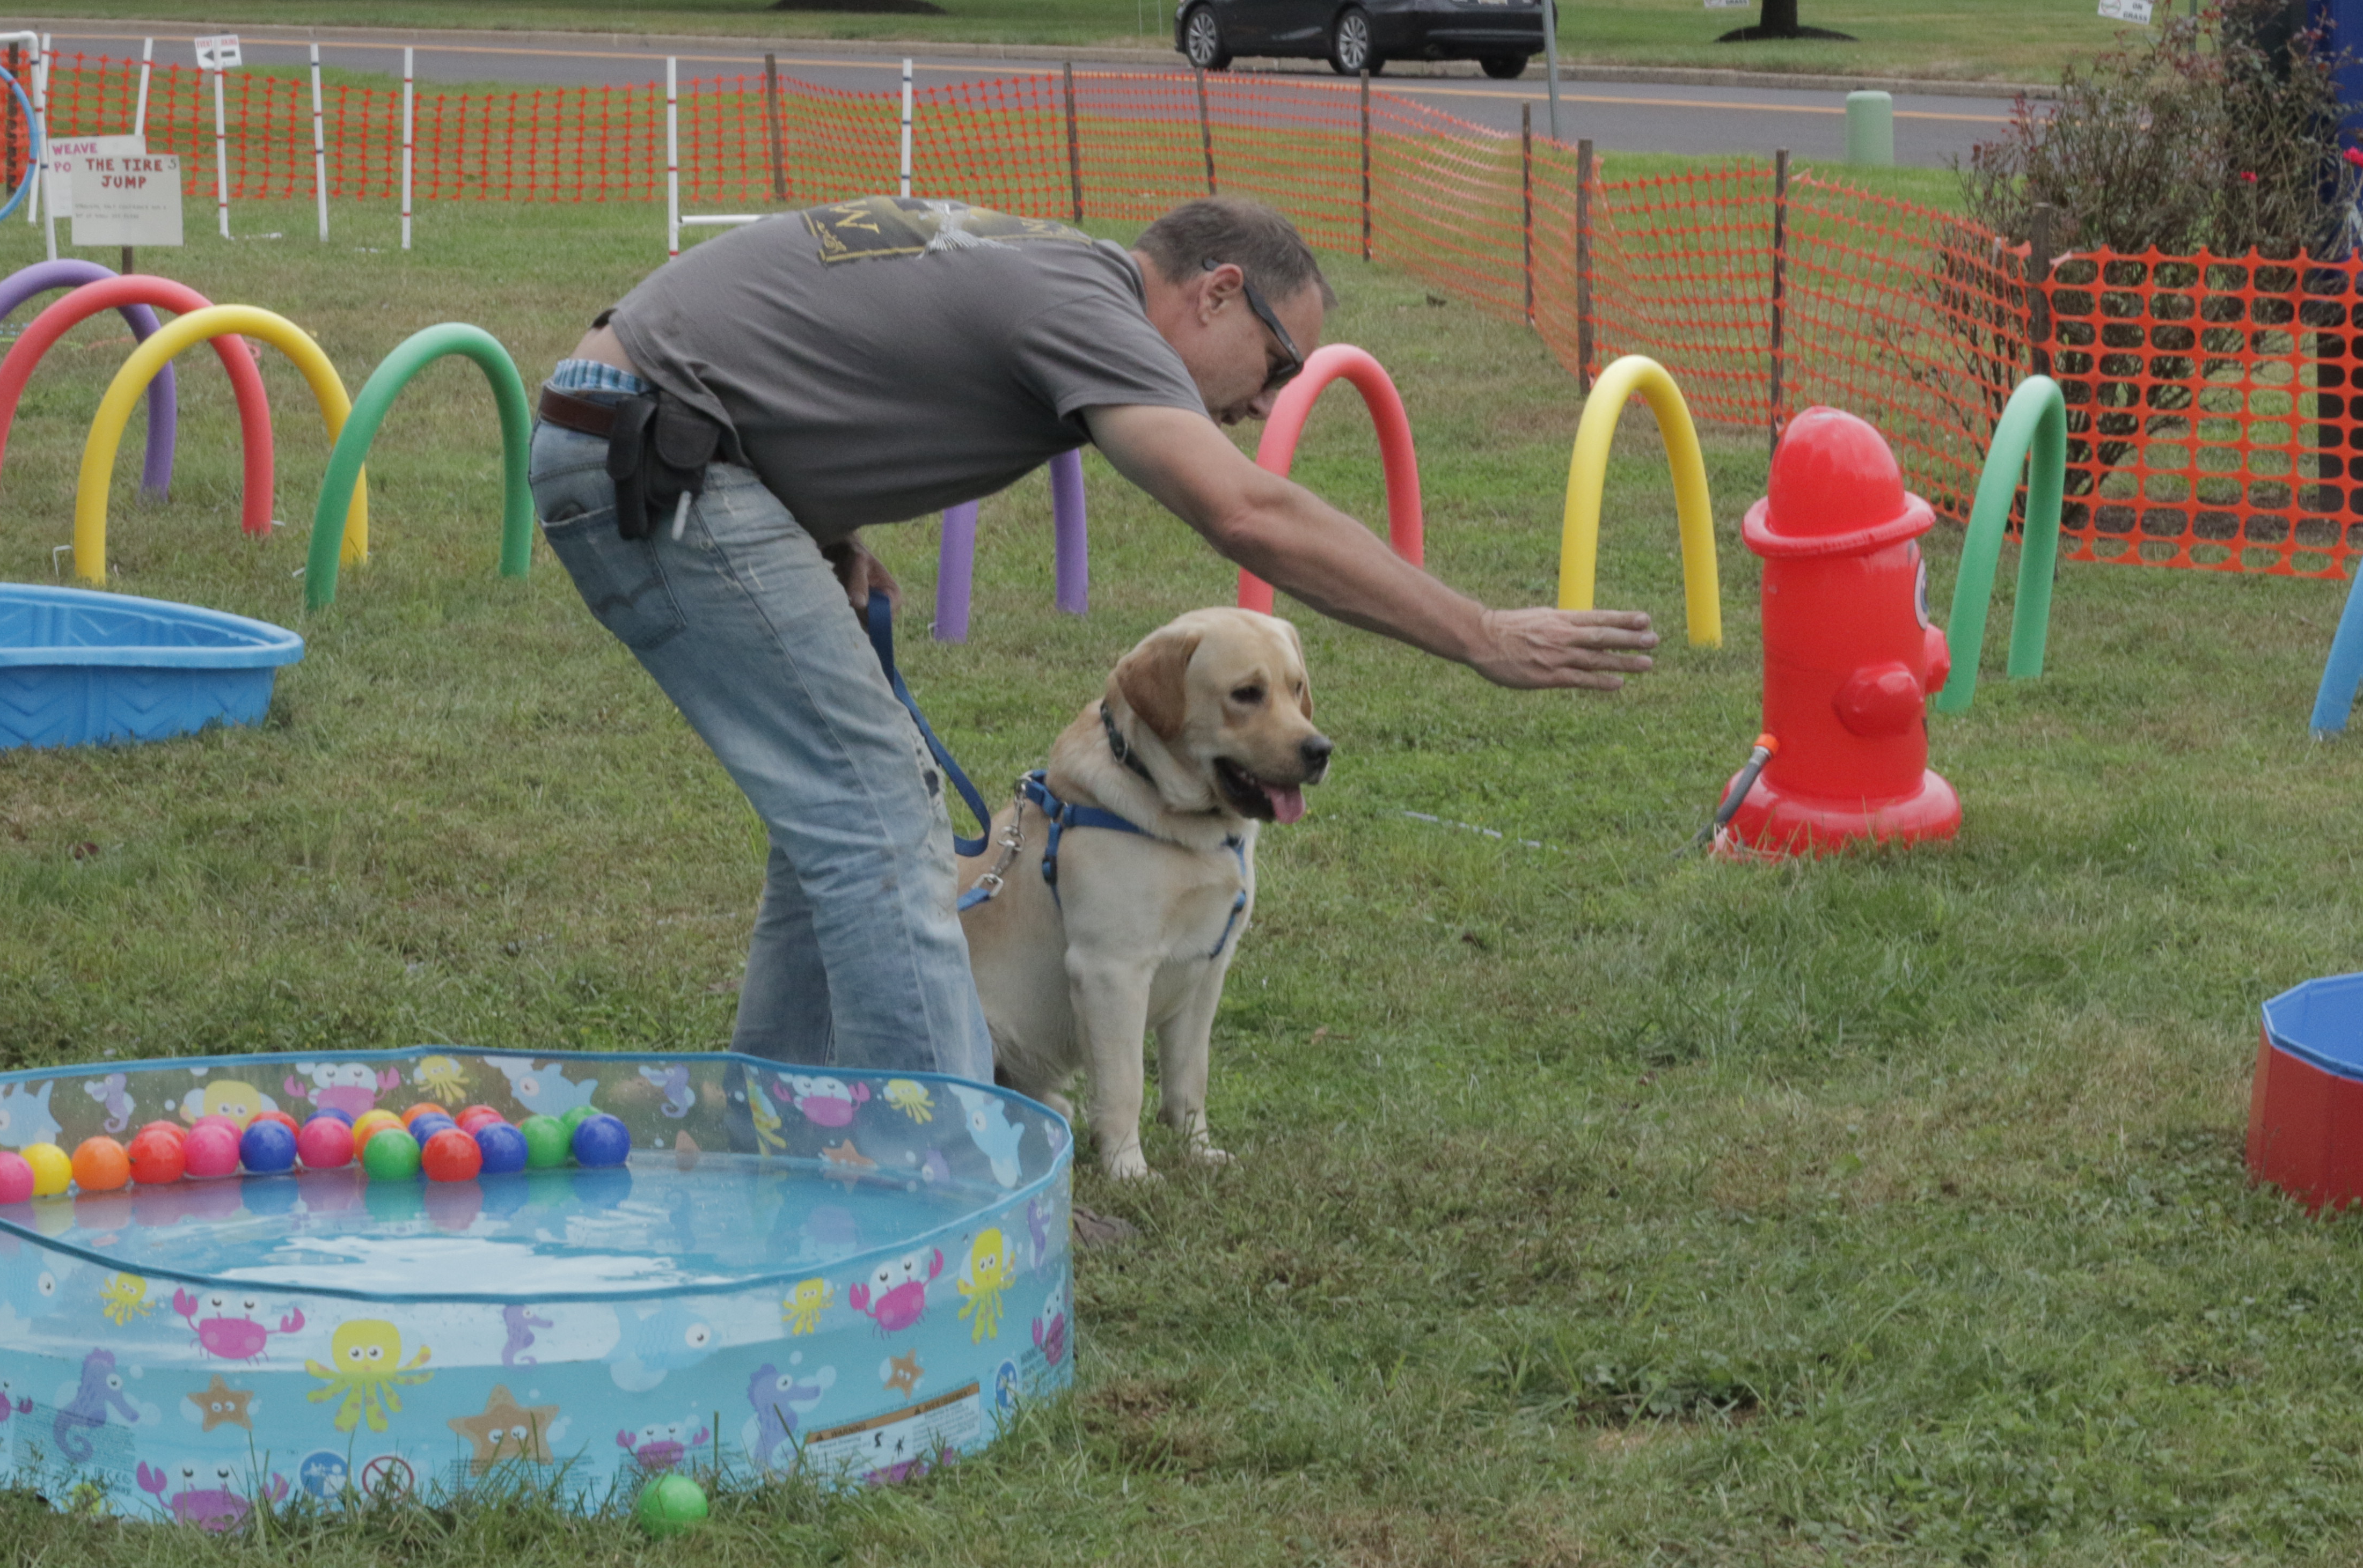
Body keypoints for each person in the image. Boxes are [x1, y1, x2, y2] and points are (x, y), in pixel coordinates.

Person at [529, 193, 1656, 1085]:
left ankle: (771, 1120)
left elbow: (818, 343)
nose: (1266, 406)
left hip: (657, 434)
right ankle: (954, 1190)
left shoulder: (1044, 265)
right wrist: (1481, 635)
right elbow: (1247, 511)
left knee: (839, 816)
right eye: (1274, 367)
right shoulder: (1091, 308)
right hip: (653, 455)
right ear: (1218, 293)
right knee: (877, 821)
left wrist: (816, 526)